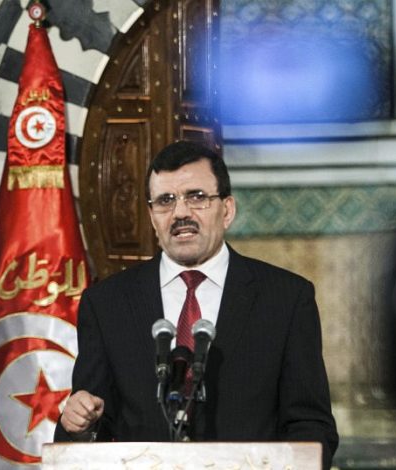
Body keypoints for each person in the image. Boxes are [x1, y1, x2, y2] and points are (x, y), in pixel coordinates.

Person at [54, 141, 338, 467]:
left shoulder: (286, 299)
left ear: (227, 210)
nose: (180, 213)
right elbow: (91, 420)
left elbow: (310, 425)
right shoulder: (107, 303)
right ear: (152, 217)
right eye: (165, 201)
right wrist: (79, 426)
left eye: (197, 197)